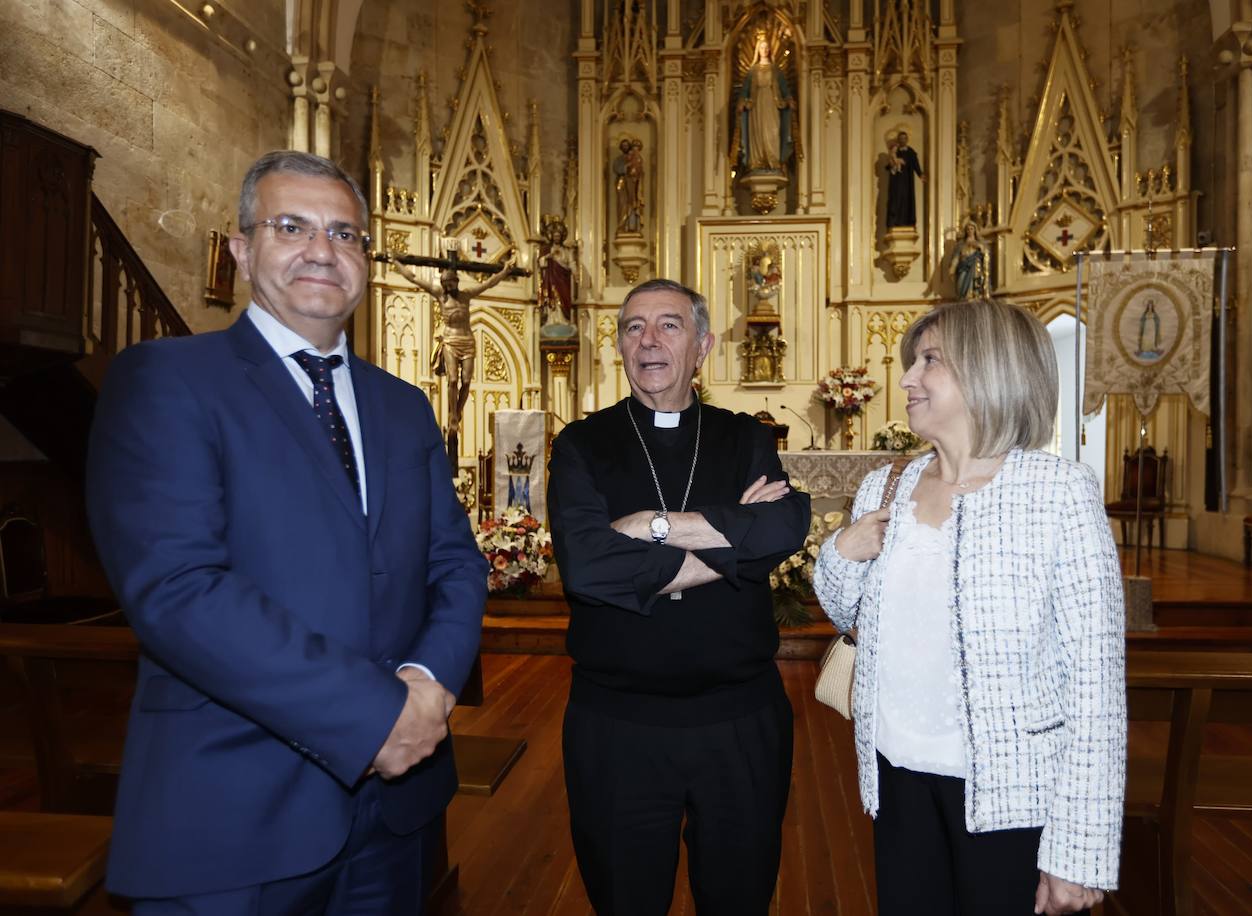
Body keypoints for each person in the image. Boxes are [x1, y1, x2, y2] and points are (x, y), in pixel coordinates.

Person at [86, 150, 489, 915]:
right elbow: (178, 590)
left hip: (400, 811)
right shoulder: (167, 380)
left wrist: (430, 688)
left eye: (344, 234)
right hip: (235, 810)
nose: (321, 251)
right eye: (291, 226)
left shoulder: (403, 405)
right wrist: (377, 717)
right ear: (241, 249)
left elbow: (455, 564)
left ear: (365, 259)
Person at [813, 299, 1125, 916]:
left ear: (990, 371)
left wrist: (1079, 851)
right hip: (896, 775)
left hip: (1012, 792)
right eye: (913, 361)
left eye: (930, 360)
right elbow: (840, 610)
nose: (907, 377)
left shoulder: (1057, 493)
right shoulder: (888, 484)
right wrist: (842, 553)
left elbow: (1096, 683)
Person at [547, 278, 810, 915]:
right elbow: (586, 565)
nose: (650, 341)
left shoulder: (745, 437)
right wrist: (734, 550)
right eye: (634, 327)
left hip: (739, 720)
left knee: (739, 899)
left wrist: (649, 527)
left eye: (669, 325)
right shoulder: (582, 444)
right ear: (618, 346)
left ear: (703, 346)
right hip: (618, 725)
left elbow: (783, 525)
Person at [388, 252, 517, 439]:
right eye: (445, 284)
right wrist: (395, 261)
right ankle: (452, 415)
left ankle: (458, 410)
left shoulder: (466, 295)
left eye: (451, 283)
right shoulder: (440, 296)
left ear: (457, 282)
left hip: (467, 341)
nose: (448, 286)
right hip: (450, 340)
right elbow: (414, 278)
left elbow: (489, 283)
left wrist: (505, 271)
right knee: (453, 380)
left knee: (466, 381)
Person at [732, 30, 796, 175]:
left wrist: (789, 99)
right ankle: (757, 162)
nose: (764, 50)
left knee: (773, 132)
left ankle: (774, 162)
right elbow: (745, 91)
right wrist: (741, 103)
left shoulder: (776, 70)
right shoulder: (752, 71)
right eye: (762, 47)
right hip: (756, 107)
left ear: (770, 50)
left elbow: (784, 88)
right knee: (758, 134)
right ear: (758, 50)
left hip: (772, 105)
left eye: (766, 47)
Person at [884, 130, 925, 229]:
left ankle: (907, 222)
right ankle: (895, 222)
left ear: (907, 140)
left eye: (904, 138)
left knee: (906, 200)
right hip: (896, 182)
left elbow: (915, 164)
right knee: (896, 200)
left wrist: (920, 174)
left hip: (907, 182)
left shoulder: (911, 152)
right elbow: (888, 166)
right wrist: (893, 164)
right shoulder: (895, 151)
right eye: (901, 139)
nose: (902, 140)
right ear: (898, 140)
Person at [950, 219, 989, 300]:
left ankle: (974, 297)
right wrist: (952, 268)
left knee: (974, 285)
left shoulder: (979, 243)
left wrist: (979, 247)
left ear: (975, 230)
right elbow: (956, 257)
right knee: (960, 284)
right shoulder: (961, 244)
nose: (969, 231)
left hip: (974, 266)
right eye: (967, 229)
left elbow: (985, 254)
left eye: (971, 228)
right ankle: (963, 298)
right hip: (963, 266)